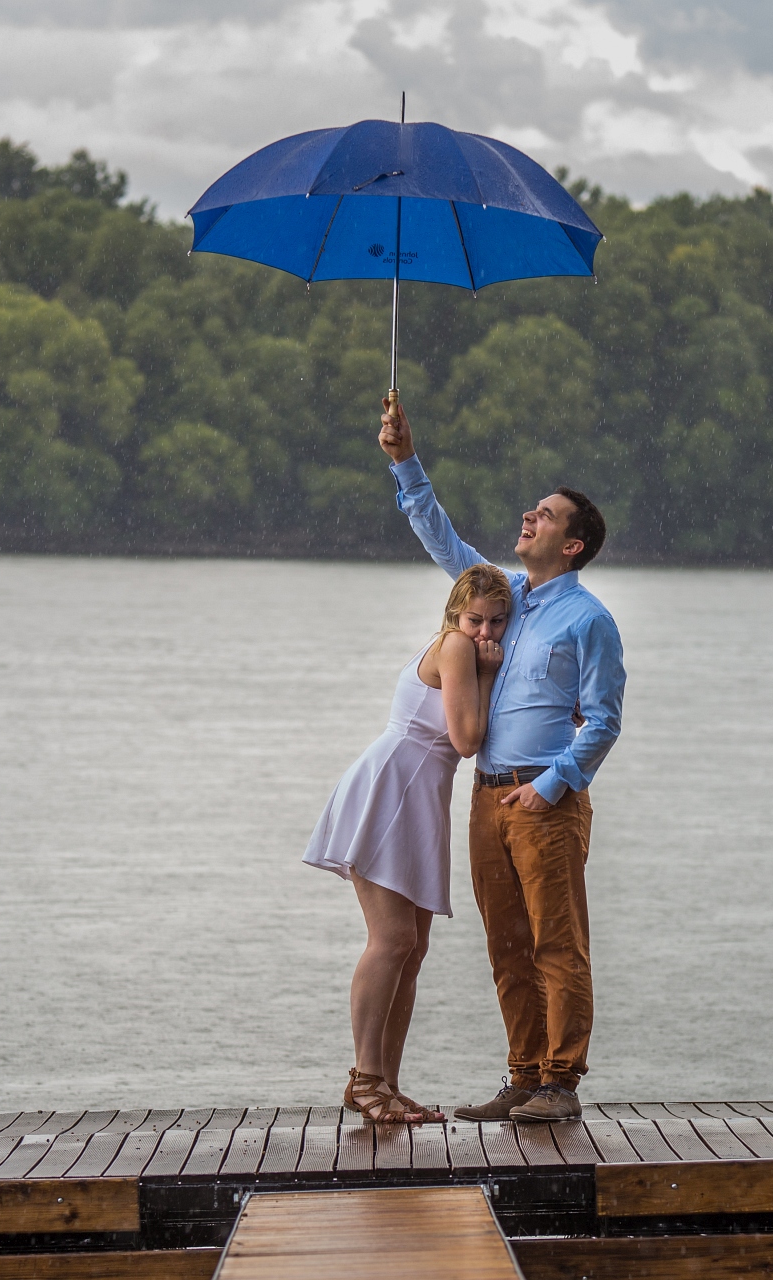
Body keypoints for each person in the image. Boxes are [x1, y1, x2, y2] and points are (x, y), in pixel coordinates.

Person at [377, 395, 625, 1123]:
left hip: (544, 802)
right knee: (508, 945)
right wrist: (405, 463)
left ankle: (560, 1084)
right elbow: (443, 542)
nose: (529, 517)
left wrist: (553, 785)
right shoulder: (504, 597)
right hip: (486, 797)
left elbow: (604, 721)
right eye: (533, 510)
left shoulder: (590, 620)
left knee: (558, 945)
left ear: (572, 545)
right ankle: (522, 1075)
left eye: (545, 516)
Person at [303, 563, 512, 1124]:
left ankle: (387, 1085)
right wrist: (489, 674)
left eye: (497, 622)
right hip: (394, 788)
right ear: (455, 614)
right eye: (475, 619)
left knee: (412, 950)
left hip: (418, 794)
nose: (485, 632)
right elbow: (466, 740)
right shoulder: (456, 648)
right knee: (392, 940)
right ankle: (365, 1081)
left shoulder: (463, 646)